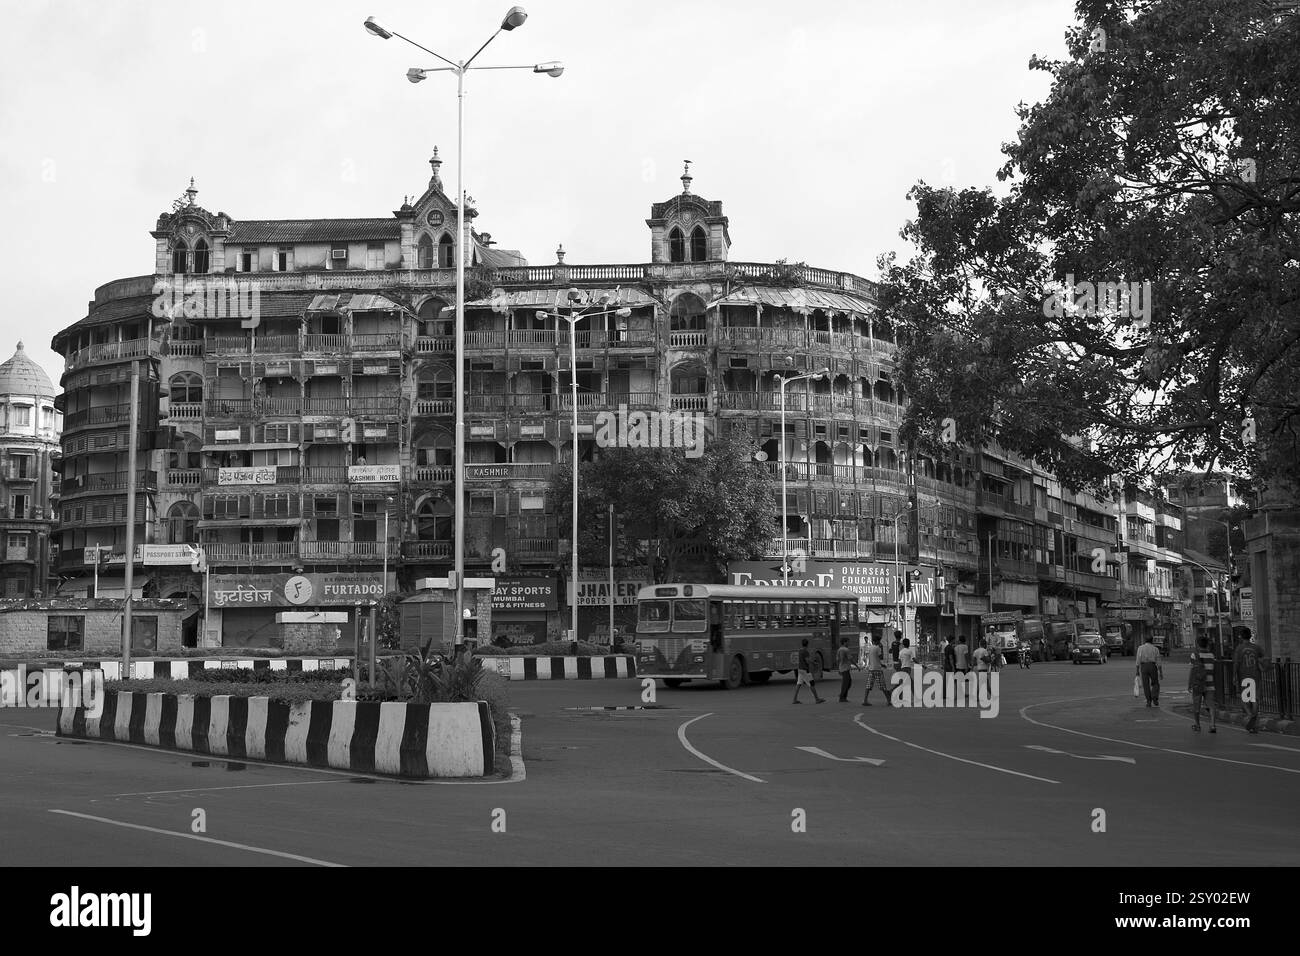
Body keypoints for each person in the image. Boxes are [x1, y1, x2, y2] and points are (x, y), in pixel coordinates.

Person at [1233, 630, 1262, 734]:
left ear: (1241, 637)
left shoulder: (1239, 648)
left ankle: (1250, 715)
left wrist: (1234, 675)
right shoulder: (1257, 647)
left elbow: (1236, 663)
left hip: (1244, 676)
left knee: (1244, 699)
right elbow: (1262, 658)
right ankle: (1254, 719)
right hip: (1256, 675)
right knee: (1254, 698)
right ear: (1250, 636)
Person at [1188, 635, 1217, 733]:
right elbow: (1213, 670)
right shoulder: (1212, 656)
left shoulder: (1194, 655)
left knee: (1197, 705)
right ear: (1207, 644)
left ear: (1197, 644)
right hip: (1210, 683)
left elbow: (1193, 670)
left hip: (1198, 683)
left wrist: (1190, 684)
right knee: (1211, 705)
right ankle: (1212, 725)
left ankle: (1197, 725)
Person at [861, 634, 892, 706]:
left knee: (868, 685)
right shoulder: (878, 648)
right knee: (882, 685)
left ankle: (865, 700)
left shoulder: (870, 648)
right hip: (877, 669)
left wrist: (881, 664)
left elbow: (874, 658)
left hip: (871, 669)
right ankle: (888, 700)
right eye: (879, 641)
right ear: (877, 641)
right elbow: (880, 657)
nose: (879, 642)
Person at [792, 638, 825, 704]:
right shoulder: (805, 651)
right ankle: (817, 699)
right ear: (807, 644)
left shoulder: (800, 650)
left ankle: (794, 699)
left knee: (798, 684)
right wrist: (814, 663)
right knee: (811, 684)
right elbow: (807, 660)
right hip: (805, 670)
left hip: (800, 669)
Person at [1135, 635, 1163, 707]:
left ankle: (1148, 701)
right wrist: (1160, 672)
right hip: (1152, 666)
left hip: (1143, 666)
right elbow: (1158, 661)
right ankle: (1154, 697)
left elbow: (1138, 660)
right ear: (1152, 641)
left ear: (1145, 640)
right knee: (1155, 683)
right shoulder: (1155, 649)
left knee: (1146, 684)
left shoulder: (1140, 648)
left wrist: (1137, 670)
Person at [836, 637, 856, 703]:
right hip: (845, 668)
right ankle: (842, 697)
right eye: (848, 642)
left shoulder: (839, 649)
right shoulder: (846, 650)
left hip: (842, 668)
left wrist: (838, 668)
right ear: (845, 642)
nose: (849, 643)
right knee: (846, 683)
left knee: (848, 683)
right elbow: (850, 659)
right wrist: (857, 666)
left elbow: (837, 659)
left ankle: (842, 695)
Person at [942, 635, 957, 704]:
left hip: (946, 664)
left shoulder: (946, 647)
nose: (955, 641)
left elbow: (945, 657)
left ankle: (944, 694)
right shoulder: (951, 648)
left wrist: (943, 664)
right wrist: (953, 667)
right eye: (954, 640)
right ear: (952, 640)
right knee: (954, 679)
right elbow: (951, 657)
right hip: (950, 666)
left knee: (946, 680)